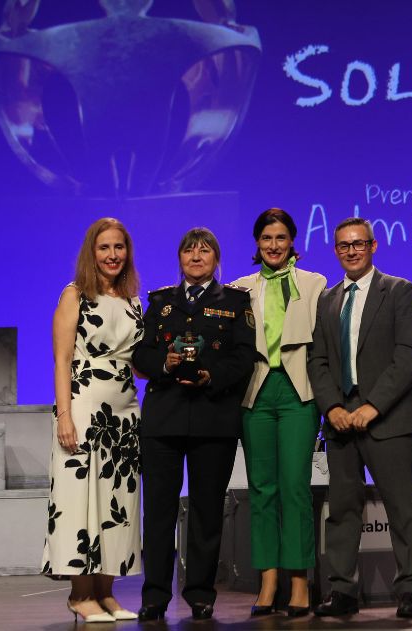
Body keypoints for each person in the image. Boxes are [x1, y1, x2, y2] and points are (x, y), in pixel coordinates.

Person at [131, 227, 255, 621]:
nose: (196, 257)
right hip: (163, 418)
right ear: (180, 258)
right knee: (159, 511)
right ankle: (154, 595)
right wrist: (163, 365)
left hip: (213, 418)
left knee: (205, 512)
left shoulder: (235, 301)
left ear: (216, 259)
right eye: (189, 251)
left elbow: (243, 358)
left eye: (204, 251)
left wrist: (209, 377)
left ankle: (201, 593)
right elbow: (141, 354)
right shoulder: (161, 301)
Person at [308, 217, 412, 620]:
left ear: (373, 246)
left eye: (359, 244)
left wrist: (372, 406)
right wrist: (334, 408)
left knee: (400, 507)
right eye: (344, 245)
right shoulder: (327, 299)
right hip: (340, 421)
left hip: (387, 418)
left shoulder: (399, 291)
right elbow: (318, 360)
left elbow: (409, 355)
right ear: (336, 251)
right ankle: (342, 591)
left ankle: (409, 589)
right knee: (342, 509)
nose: (352, 250)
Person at [42, 217, 143, 623]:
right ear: (92, 252)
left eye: (119, 247)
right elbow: (62, 360)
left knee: (116, 502)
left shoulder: (134, 300)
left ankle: (107, 592)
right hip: (83, 410)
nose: (112, 255)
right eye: (104, 248)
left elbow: (138, 362)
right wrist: (64, 415)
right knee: (79, 502)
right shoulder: (74, 295)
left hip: (124, 413)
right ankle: (80, 594)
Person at [233, 209, 327, 617]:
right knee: (262, 489)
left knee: (294, 488)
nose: (274, 245)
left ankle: (299, 581)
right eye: (267, 238)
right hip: (256, 393)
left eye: (281, 238)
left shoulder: (315, 283)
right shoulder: (239, 288)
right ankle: (268, 580)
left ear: (292, 242)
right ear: (257, 243)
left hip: (297, 393)